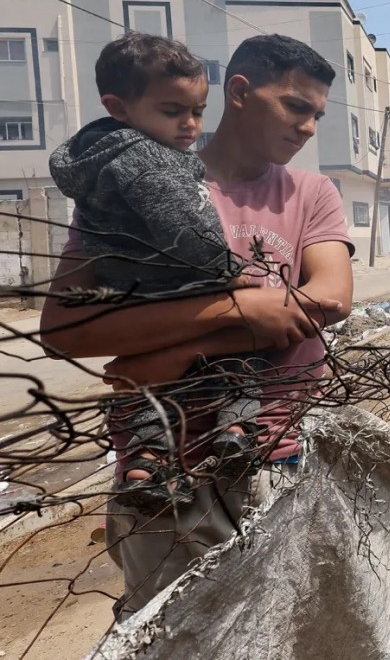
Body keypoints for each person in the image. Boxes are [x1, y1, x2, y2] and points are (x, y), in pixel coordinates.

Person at [40, 34, 354, 620]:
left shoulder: (312, 193)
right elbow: (64, 327)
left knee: (288, 629)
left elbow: (330, 299)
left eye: (316, 114)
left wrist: (182, 351)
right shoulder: (128, 186)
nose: (308, 127)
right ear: (239, 92)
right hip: (163, 477)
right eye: (295, 107)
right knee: (173, 633)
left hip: (275, 456)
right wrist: (247, 313)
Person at [47, 32, 265, 514]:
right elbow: (182, 226)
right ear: (118, 106)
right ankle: (237, 431)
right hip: (180, 279)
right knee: (240, 353)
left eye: (198, 112)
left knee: (152, 389)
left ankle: (145, 465)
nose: (190, 125)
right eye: (173, 112)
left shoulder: (99, 155)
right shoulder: (143, 157)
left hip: (131, 292)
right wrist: (227, 272)